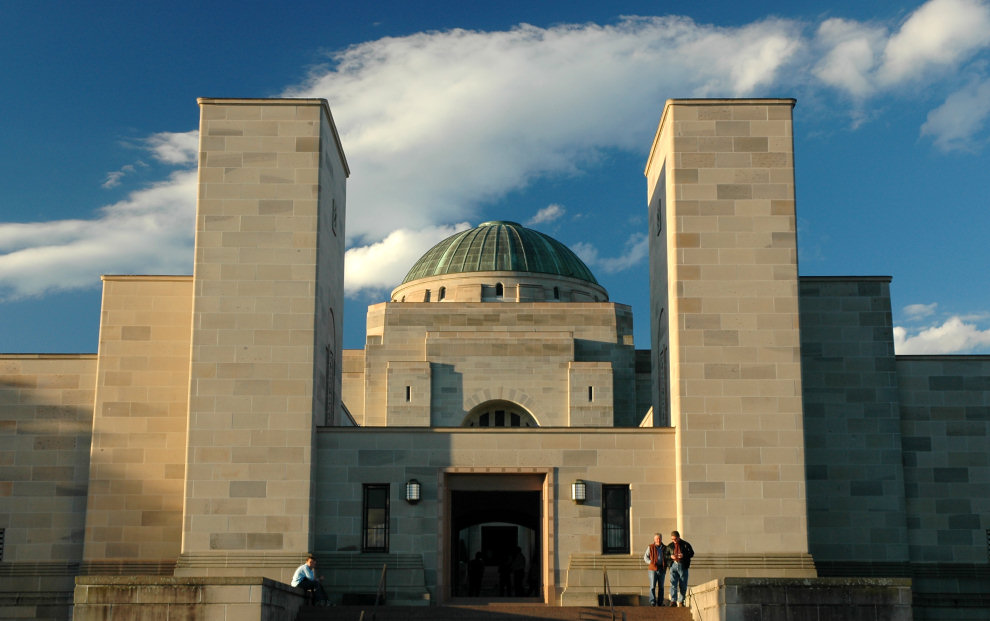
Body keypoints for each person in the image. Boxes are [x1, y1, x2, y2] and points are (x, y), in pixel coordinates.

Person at [666, 531, 694, 607]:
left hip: (683, 565)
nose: (674, 540)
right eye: (672, 539)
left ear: (679, 537)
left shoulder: (685, 544)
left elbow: (691, 553)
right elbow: (665, 555)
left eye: (675, 539)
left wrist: (683, 555)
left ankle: (681, 601)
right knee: (673, 584)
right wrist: (670, 557)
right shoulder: (670, 546)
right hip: (673, 565)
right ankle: (673, 601)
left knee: (683, 584)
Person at [642, 532, 668, 607]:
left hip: (662, 569)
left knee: (661, 587)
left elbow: (667, 557)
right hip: (652, 569)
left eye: (659, 538)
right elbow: (645, 557)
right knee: (652, 586)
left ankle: (660, 602)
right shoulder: (650, 547)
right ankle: (652, 601)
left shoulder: (665, 548)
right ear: (654, 539)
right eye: (657, 539)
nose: (658, 540)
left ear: (661, 539)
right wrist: (651, 562)